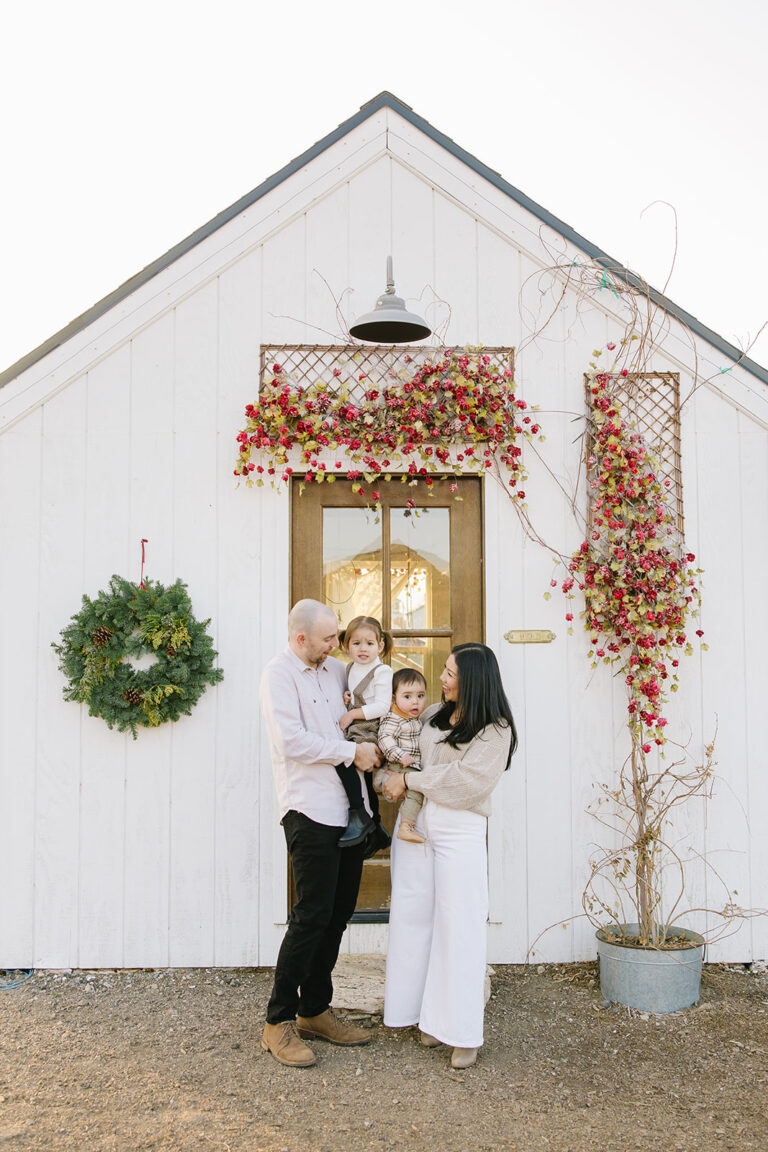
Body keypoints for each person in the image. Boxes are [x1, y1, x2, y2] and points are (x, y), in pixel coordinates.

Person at [382, 643, 517, 1069]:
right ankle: (420, 1015)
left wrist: (411, 779)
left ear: (473, 680)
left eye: (450, 672)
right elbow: (395, 729)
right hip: (417, 823)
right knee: (413, 917)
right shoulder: (434, 714)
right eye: (443, 670)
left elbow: (469, 782)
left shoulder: (495, 730)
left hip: (460, 826)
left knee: (459, 924)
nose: (440, 678)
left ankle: (461, 1031)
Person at [259, 599, 381, 1067]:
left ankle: (315, 1009)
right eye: (329, 638)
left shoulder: (333, 672)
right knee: (310, 916)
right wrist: (352, 753)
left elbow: (350, 720)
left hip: (351, 811)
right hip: (308, 810)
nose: (338, 645)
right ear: (300, 638)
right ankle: (276, 1022)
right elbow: (290, 741)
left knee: (338, 914)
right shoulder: (278, 675)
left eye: (338, 637)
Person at [335, 616, 394, 849]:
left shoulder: (382, 671)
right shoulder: (349, 668)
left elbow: (381, 706)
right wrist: (347, 698)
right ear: (346, 646)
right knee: (365, 781)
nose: (363, 648)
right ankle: (375, 823)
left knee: (345, 759)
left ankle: (358, 812)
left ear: (380, 646)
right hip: (356, 726)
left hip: (371, 726)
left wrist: (351, 714)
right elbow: (357, 694)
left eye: (369, 643)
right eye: (356, 643)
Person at [376, 669, 428, 843]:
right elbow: (385, 738)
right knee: (417, 793)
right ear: (393, 699)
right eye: (407, 697)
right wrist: (400, 755)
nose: (415, 702)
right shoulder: (393, 719)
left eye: (420, 696)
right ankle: (406, 826)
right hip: (401, 765)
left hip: (410, 766)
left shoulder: (415, 720)